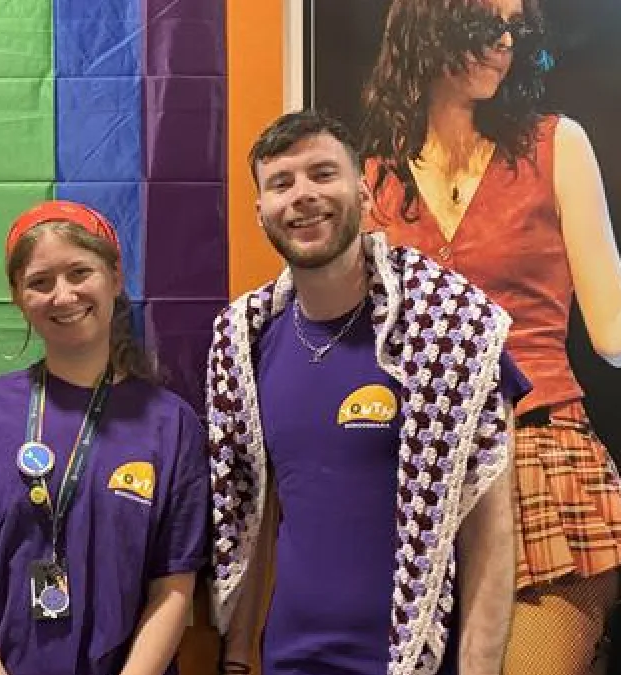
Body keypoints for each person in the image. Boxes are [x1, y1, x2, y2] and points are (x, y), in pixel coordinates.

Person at [359, 1, 621, 672]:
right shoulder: (375, 177)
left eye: (515, 27)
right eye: (484, 24)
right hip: (419, 471)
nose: (503, 43)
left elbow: (615, 332)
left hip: (539, 453)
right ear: (425, 27)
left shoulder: (555, 143)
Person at [209, 110, 531, 675]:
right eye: (281, 183)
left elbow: (491, 533)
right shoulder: (244, 345)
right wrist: (237, 656)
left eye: (322, 174)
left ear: (362, 186)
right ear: (260, 210)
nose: (303, 196)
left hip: (415, 663)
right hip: (289, 661)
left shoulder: (451, 331)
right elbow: (254, 515)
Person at [0, 200, 208, 675]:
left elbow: (174, 585)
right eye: (40, 282)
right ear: (18, 297)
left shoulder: (171, 424)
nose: (63, 296)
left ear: (114, 276)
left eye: (79, 273)